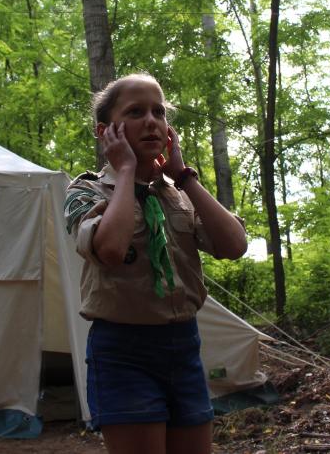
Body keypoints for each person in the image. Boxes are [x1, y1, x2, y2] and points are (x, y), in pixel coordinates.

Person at [63, 73, 247, 454]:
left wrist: (183, 176)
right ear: (105, 131)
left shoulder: (179, 193)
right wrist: (126, 172)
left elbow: (234, 245)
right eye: (135, 112)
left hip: (184, 348)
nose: (151, 121)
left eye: (158, 112)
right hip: (123, 353)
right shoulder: (85, 191)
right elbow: (111, 249)